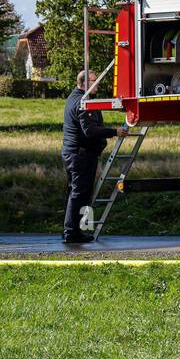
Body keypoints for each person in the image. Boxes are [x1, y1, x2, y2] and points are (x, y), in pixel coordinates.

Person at [62, 70, 125, 244]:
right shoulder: (83, 102)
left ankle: (73, 230)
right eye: (94, 80)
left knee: (75, 193)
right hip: (81, 156)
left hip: (75, 154)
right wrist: (114, 132)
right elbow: (89, 131)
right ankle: (71, 233)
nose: (97, 82)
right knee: (79, 194)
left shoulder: (74, 98)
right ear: (84, 83)